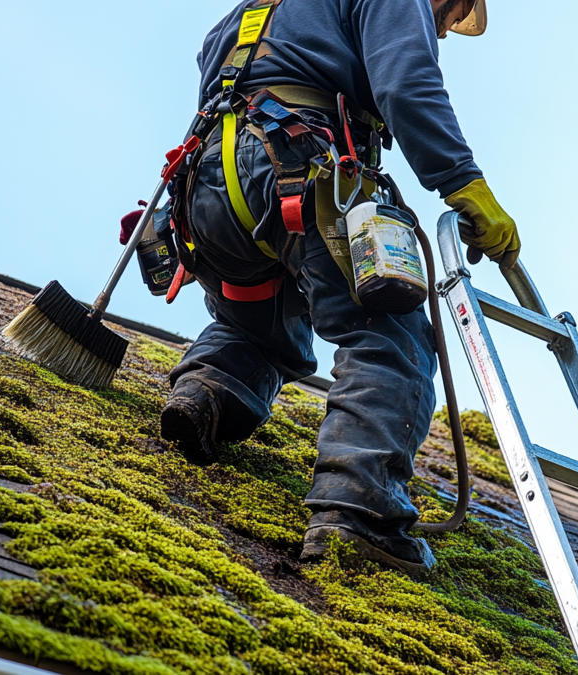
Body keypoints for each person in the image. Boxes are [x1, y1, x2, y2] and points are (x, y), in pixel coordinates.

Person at [158, 0, 520, 573]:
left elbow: (212, 61)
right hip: (301, 162)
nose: (443, 33)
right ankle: (358, 513)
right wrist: (464, 184)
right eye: (449, 19)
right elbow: (407, 83)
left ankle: (209, 393)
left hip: (207, 184)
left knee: (258, 316)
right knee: (389, 337)